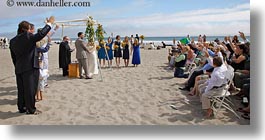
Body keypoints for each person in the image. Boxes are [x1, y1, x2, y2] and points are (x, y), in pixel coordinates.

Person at [9, 16, 55, 115]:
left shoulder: (12, 40)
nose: (31, 31)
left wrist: (17, 66)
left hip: (19, 68)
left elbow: (13, 57)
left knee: (21, 89)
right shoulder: (27, 36)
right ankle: (31, 109)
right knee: (30, 89)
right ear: (26, 29)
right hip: (30, 67)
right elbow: (41, 35)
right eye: (30, 29)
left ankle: (21, 107)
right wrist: (49, 24)